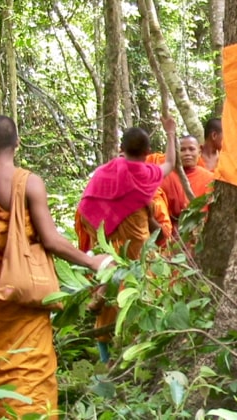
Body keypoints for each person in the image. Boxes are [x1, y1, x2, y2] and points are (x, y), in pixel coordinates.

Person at [0, 115, 110, 418]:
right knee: (32, 369)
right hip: (24, 294)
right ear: (17, 143)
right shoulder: (28, 182)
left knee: (0, 366)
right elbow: (52, 240)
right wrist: (91, 261)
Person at [75, 117, 176, 362]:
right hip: (134, 244)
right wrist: (171, 132)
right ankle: (131, 357)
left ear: (122, 148)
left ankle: (112, 354)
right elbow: (171, 163)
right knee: (139, 284)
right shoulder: (148, 173)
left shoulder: (105, 171)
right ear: (147, 152)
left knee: (112, 277)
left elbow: (88, 201)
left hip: (103, 231)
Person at [147, 135, 214, 231]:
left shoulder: (210, 178)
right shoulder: (165, 176)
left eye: (191, 149)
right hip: (170, 232)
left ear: (199, 151)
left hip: (201, 231)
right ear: (175, 152)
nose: (187, 153)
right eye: (182, 150)